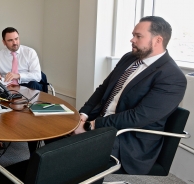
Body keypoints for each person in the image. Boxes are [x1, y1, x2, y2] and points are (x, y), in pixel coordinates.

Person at [74, 16, 187, 174]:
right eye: (133, 35)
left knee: (61, 158)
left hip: (127, 139)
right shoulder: (130, 58)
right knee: (54, 133)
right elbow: (103, 88)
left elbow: (138, 117)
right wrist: (83, 115)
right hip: (100, 121)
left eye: (138, 36)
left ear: (158, 40)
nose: (132, 40)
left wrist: (91, 126)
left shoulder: (171, 77)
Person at [0, 27, 42, 154]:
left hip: (27, 89)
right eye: (10, 40)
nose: (15, 43)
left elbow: (37, 75)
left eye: (17, 39)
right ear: (4, 42)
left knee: (34, 84)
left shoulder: (30, 52)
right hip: (6, 90)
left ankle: (32, 140)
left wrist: (18, 75)